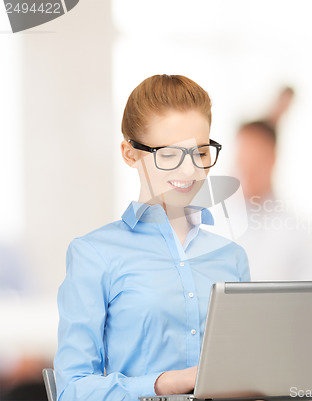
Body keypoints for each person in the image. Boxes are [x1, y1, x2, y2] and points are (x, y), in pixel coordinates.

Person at [54, 75, 250, 401]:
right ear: (130, 154)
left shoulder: (232, 257)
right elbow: (72, 390)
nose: (189, 172)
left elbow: (246, 368)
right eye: (170, 155)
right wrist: (161, 384)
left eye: (201, 153)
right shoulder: (94, 254)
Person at [234, 88, 312, 281]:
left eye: (256, 162)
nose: (248, 173)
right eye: (243, 163)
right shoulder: (215, 231)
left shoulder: (308, 234)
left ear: (273, 159)